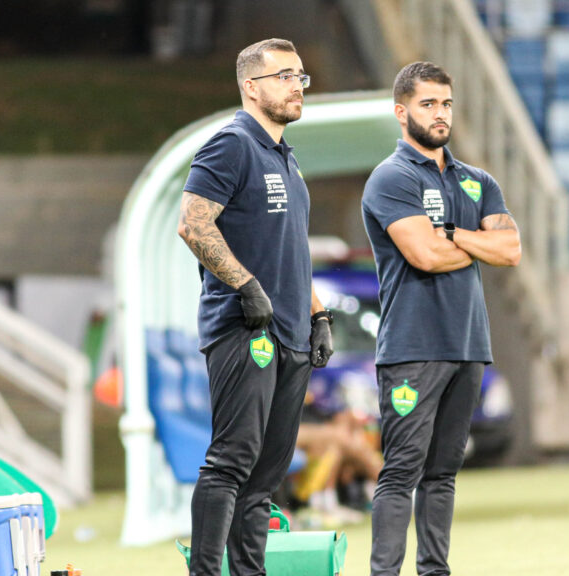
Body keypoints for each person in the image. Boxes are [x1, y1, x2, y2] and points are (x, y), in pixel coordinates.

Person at [176, 37, 334, 576]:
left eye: (300, 76)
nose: (297, 86)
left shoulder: (286, 157)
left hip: (291, 333)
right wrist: (246, 286)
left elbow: (293, 248)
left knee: (267, 477)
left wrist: (318, 315)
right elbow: (193, 223)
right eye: (285, 76)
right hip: (245, 329)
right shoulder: (231, 143)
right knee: (231, 461)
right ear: (251, 86)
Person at [361, 61, 521, 576]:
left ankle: (435, 571)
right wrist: (475, 243)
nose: (440, 114)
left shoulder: (477, 181)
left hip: (468, 343)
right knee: (401, 470)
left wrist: (450, 234)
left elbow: (512, 248)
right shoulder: (391, 178)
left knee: (444, 472)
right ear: (401, 111)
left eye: (446, 103)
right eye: (428, 103)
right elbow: (423, 256)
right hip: (413, 345)